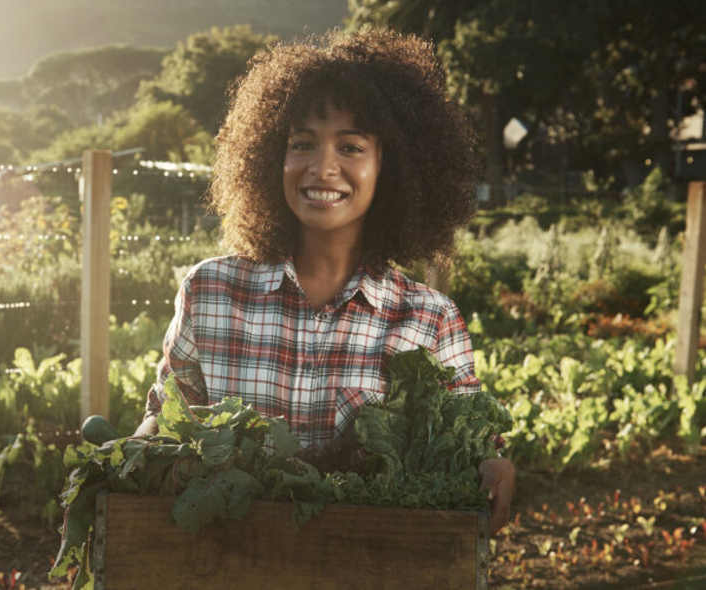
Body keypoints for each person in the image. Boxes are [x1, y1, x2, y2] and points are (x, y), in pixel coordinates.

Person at [132, 28, 515, 533]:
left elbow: (473, 442)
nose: (323, 167)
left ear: (391, 167)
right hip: (223, 565)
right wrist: (135, 449)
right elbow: (165, 414)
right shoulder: (211, 292)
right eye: (303, 144)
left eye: (351, 147)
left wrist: (496, 467)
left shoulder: (429, 320)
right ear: (273, 157)